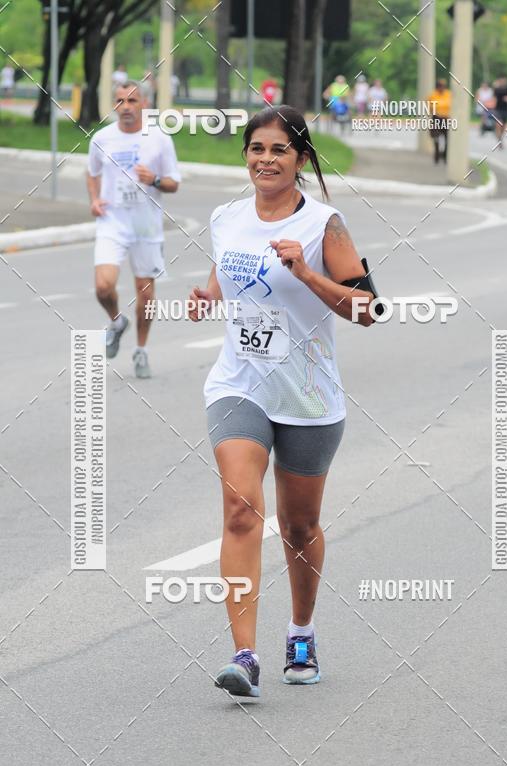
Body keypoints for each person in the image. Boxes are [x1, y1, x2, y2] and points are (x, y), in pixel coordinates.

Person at [187, 105, 376, 698]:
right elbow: (228, 272)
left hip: (310, 394)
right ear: (245, 154)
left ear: (300, 159)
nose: (265, 159)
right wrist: (207, 297)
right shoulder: (226, 216)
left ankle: (301, 630)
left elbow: (367, 308)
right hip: (239, 383)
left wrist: (307, 274)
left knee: (298, 525)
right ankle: (244, 655)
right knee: (242, 511)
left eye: (278, 150)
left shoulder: (326, 226)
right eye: (256, 149)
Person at [86, 80, 181, 378]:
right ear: (113, 105)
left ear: (144, 104)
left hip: (145, 226)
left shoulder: (159, 139)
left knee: (147, 297)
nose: (126, 107)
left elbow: (173, 183)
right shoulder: (101, 138)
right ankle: (117, 322)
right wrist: (95, 199)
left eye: (132, 101)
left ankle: (141, 350)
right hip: (112, 222)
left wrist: (153, 179)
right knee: (103, 286)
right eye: (120, 102)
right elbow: (92, 173)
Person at [427, 78, 452, 164]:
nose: (442, 88)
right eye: (440, 86)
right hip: (437, 118)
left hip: (446, 119)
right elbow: (429, 107)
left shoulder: (448, 94)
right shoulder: (433, 95)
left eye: (443, 86)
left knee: (447, 139)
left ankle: (445, 156)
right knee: (436, 138)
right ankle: (437, 155)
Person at [492, 76, 507, 148]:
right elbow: (494, 98)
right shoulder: (496, 89)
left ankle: (500, 138)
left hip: (505, 109)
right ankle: (499, 140)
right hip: (497, 109)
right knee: (498, 124)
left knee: (503, 126)